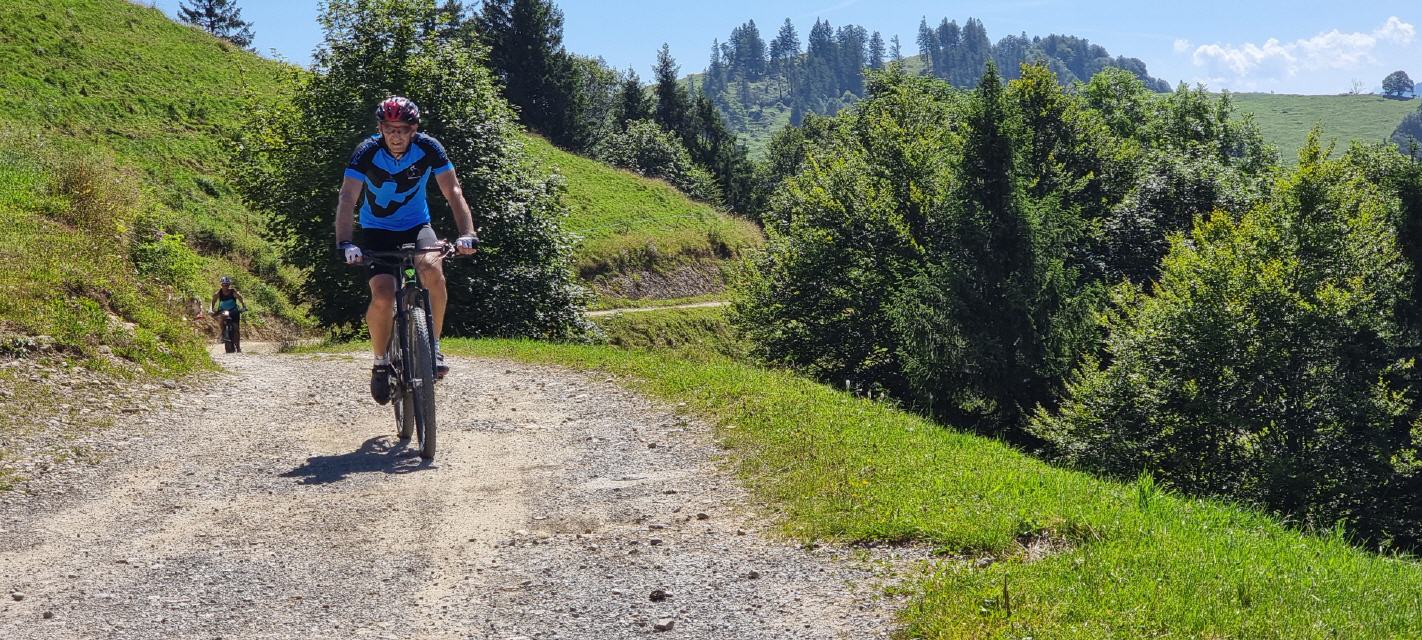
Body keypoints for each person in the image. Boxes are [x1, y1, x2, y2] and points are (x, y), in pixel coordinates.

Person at [335, 96, 479, 405]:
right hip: (377, 231)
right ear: (380, 129)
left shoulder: (429, 148)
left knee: (432, 270)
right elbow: (347, 196)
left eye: (402, 129)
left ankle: (433, 347)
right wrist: (345, 242)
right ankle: (380, 362)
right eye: (389, 129)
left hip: (416, 226)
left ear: (414, 130)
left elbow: (453, 191)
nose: (396, 136)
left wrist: (467, 233)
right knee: (383, 295)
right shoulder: (367, 151)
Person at [210, 276, 248, 352]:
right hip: (223, 311)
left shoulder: (233, 292)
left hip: (234, 310)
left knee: (236, 328)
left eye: (227, 285)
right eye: (223, 285)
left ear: (229, 285)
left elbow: (240, 298)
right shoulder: (218, 293)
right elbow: (213, 301)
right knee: (221, 319)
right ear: (221, 285)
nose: (225, 286)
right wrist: (211, 309)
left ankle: (238, 347)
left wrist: (244, 306)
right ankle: (222, 333)